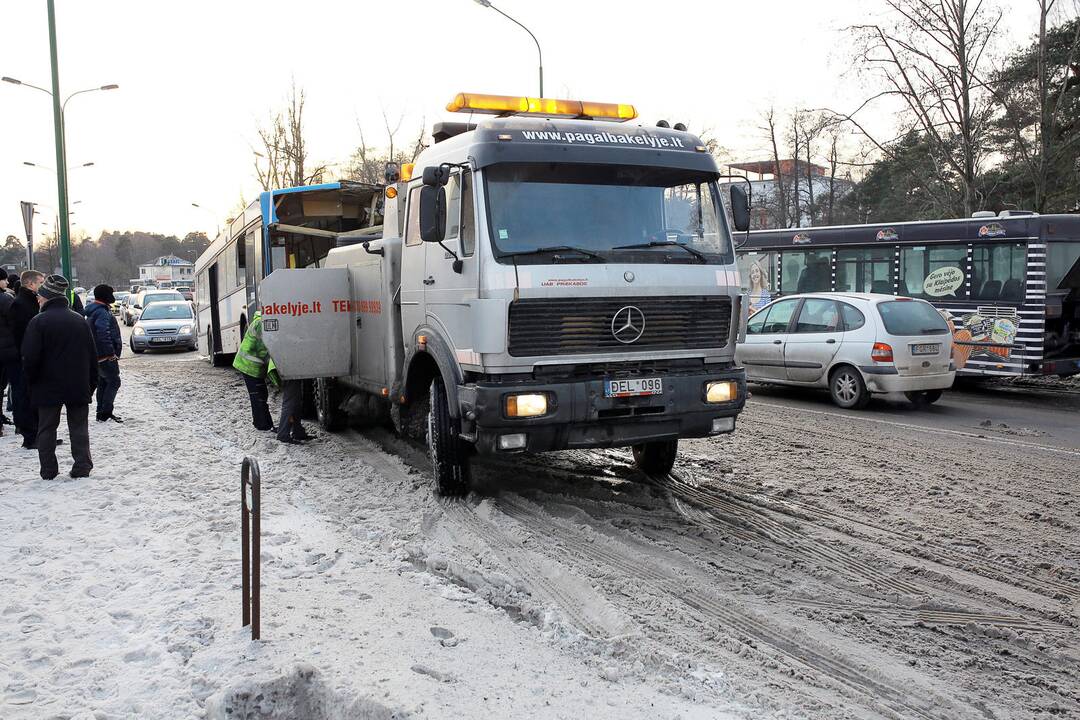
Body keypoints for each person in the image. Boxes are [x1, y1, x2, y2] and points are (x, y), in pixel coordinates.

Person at [21, 274, 97, 479]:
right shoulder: (79, 321)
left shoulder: (38, 322)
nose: (37, 298)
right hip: (77, 384)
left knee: (46, 429)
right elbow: (92, 355)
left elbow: (30, 358)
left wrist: (32, 382)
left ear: (47, 297)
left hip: (46, 386)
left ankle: (48, 470)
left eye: (40, 295)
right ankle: (82, 466)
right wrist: (90, 384)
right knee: (79, 427)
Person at [10, 270, 45, 447]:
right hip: (25, 357)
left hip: (29, 356)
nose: (42, 286)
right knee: (26, 396)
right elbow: (21, 333)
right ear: (30, 284)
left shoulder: (29, 301)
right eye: (40, 282)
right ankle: (31, 435)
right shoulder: (21, 304)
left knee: (34, 396)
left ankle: (39, 434)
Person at [84, 284, 123, 422]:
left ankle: (101, 413)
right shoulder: (101, 312)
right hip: (105, 355)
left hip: (97, 355)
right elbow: (103, 333)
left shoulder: (94, 310)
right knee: (113, 381)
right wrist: (111, 353)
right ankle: (105, 413)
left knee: (103, 383)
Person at [232, 309, 275, 432]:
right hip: (249, 366)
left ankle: (264, 423)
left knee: (260, 394)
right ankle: (262, 424)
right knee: (258, 395)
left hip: (250, 365)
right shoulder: (262, 323)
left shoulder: (260, 321)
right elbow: (269, 345)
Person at [0, 273, 16, 433]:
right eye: (4, 279)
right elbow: (15, 322)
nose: (6, 282)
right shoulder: (6, 300)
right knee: (15, 385)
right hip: (7, 349)